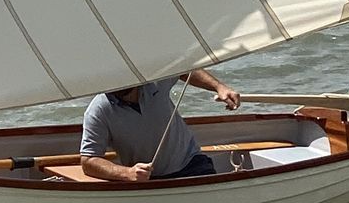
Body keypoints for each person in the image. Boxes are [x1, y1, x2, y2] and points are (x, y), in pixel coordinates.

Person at [78, 69, 240, 182]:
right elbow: (89, 160)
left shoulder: (154, 82)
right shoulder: (98, 110)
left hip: (191, 164)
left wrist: (219, 87)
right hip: (148, 179)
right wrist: (126, 173)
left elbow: (183, 69)